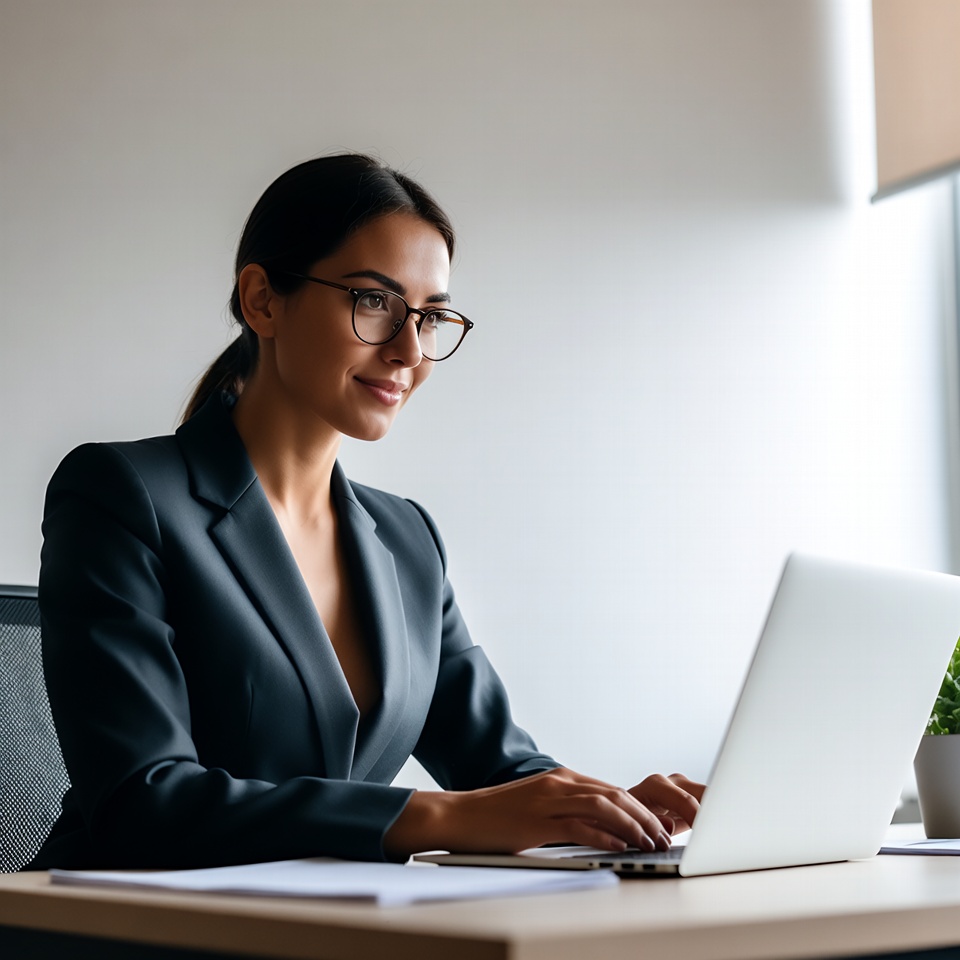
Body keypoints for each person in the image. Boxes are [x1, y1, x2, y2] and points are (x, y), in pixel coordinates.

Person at [31, 154, 703, 869]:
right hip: (120, 928)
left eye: (431, 315)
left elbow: (500, 774)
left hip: (320, 926)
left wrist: (613, 812)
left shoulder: (407, 540)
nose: (410, 351)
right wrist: (437, 815)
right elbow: (143, 801)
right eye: (375, 301)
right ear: (262, 300)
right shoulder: (123, 494)